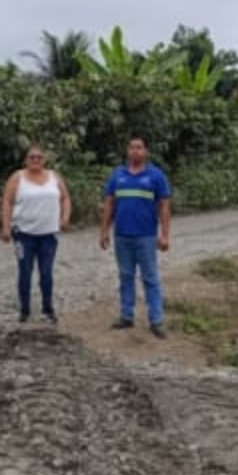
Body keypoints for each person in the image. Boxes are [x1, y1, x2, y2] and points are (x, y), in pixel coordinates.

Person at [100, 137, 172, 339]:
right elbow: (109, 204)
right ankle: (126, 316)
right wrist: (104, 231)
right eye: (132, 147)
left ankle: (156, 320)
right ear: (127, 151)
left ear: (146, 152)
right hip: (122, 236)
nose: (135, 151)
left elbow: (164, 207)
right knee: (125, 277)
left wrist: (165, 234)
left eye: (139, 148)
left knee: (150, 278)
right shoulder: (118, 175)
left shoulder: (156, 176)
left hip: (146, 236)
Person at [0, 145, 72, 324]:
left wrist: (65, 217)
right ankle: (24, 310)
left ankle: (48, 309)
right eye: (32, 157)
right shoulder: (17, 177)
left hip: (49, 234)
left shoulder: (54, 177)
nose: (35, 160)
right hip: (23, 234)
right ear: (26, 160)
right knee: (25, 272)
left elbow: (65, 198)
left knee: (46, 272)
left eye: (39, 157)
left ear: (44, 160)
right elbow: (7, 202)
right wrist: (6, 226)